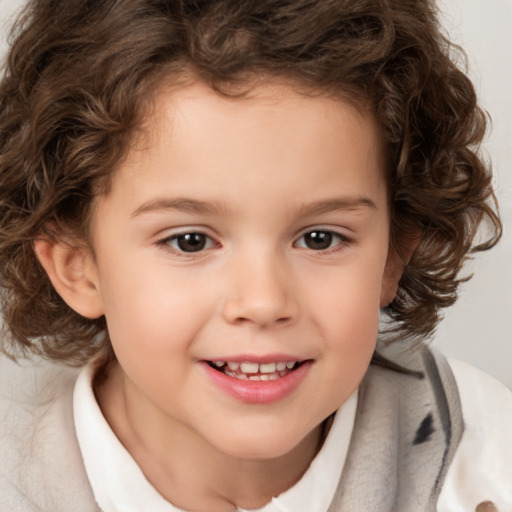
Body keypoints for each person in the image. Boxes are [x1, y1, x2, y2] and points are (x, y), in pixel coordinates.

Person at [0, 0, 510, 511]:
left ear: (393, 256)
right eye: (190, 241)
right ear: (77, 266)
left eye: (320, 238)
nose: (263, 302)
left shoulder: (481, 458)